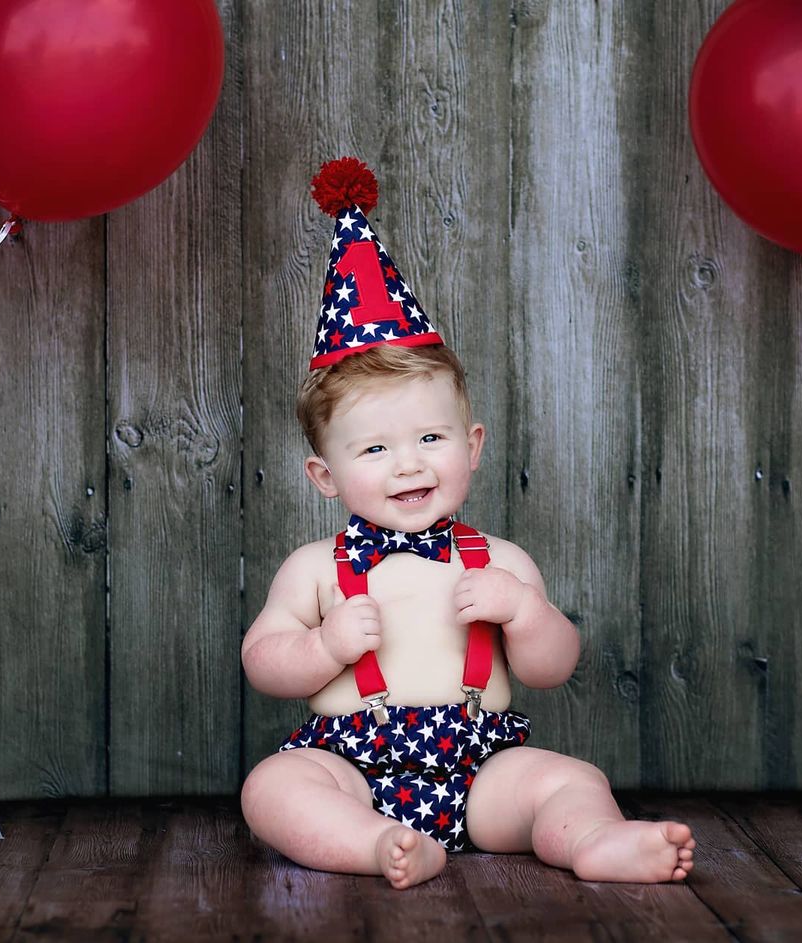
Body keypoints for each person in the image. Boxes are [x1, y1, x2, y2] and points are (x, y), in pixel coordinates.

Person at [239, 159, 696, 890]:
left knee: (567, 777)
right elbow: (263, 661)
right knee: (274, 786)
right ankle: (376, 842)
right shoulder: (314, 567)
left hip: (482, 765)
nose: (408, 465)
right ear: (325, 477)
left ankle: (596, 841)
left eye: (430, 438)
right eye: (375, 448)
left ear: (472, 446)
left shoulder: (499, 558)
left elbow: (553, 666)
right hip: (353, 764)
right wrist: (322, 644)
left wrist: (525, 611)